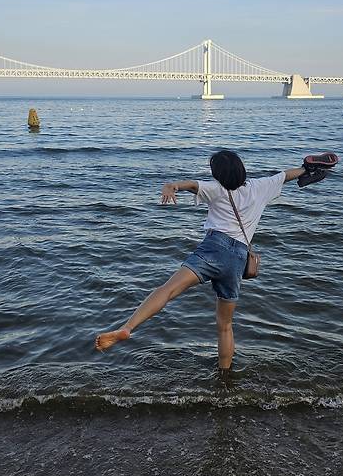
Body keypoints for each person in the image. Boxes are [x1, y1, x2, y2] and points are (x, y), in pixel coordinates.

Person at [95, 150, 307, 369]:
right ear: (241, 169)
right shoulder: (260, 187)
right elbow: (285, 175)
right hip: (237, 259)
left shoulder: (217, 189)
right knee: (225, 325)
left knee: (167, 290)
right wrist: (307, 169)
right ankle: (224, 377)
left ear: (218, 175)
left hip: (214, 249)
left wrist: (172, 186)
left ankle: (128, 328)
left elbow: (192, 185)